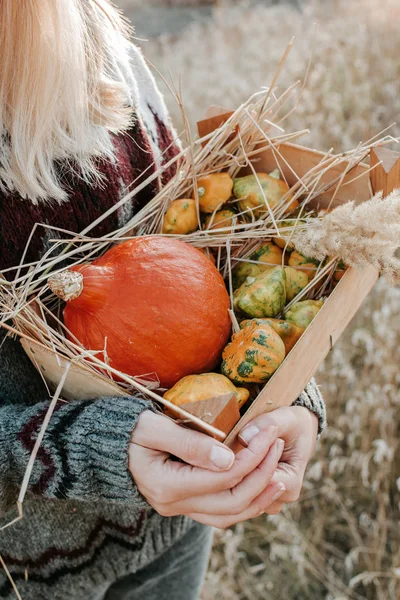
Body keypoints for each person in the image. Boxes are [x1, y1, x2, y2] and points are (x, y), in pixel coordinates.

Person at [0, 2, 326, 599]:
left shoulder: (99, 42)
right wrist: (95, 449)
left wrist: (286, 395)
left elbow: (208, 263)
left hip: (172, 533)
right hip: (25, 574)